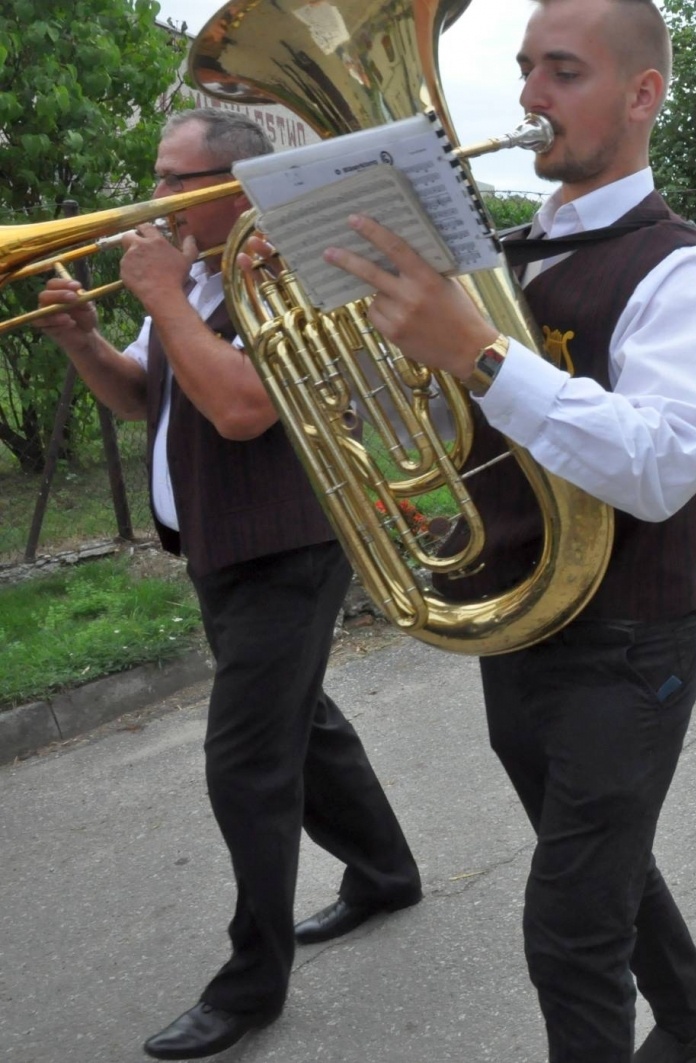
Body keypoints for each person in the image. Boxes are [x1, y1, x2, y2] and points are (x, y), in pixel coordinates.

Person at [307, 1, 696, 1059]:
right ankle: (692, 1026)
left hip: (628, 642)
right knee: (602, 856)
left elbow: (663, 466)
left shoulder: (682, 267)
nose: (529, 97)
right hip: (518, 620)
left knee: (569, 925)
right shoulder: (500, 254)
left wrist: (481, 357)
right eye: (522, 68)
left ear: (643, 96)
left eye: (563, 71)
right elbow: (440, 420)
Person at [34, 110, 422, 1061]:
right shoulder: (191, 277)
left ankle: (252, 980)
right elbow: (149, 396)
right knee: (305, 722)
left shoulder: (285, 276)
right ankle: (384, 872)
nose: (150, 197)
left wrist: (164, 296)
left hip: (287, 551)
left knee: (246, 760)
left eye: (172, 180)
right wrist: (86, 340)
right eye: (156, 176)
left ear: (234, 188)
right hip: (221, 546)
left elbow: (245, 409)